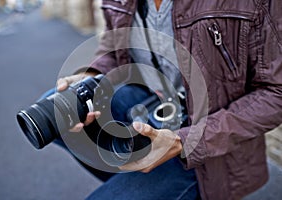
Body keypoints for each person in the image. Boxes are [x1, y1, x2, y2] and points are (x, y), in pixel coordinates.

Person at [55, 0, 282, 199]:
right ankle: (140, 182)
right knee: (60, 110)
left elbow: (275, 93)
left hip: (205, 141)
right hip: (149, 105)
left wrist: (184, 142)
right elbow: (114, 51)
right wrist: (90, 77)